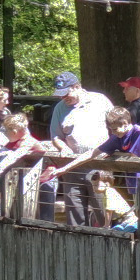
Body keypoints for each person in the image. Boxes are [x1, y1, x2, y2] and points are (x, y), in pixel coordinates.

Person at [50, 72, 113, 226]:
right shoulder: (59, 108)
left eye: (66, 93)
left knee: (103, 210)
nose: (63, 97)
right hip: (72, 166)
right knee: (74, 214)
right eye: (60, 94)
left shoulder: (100, 100)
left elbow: (116, 125)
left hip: (99, 164)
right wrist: (63, 147)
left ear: (77, 87)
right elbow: (55, 136)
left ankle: (107, 236)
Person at [0, 112, 60, 220]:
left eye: (6, 131)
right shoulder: (13, 141)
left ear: (14, 131)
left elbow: (14, 156)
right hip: (29, 181)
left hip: (45, 180)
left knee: (45, 217)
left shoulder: (29, 142)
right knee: (24, 215)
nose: (5, 134)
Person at [92, 106, 140, 193]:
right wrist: (74, 164)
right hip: (132, 178)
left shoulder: (138, 131)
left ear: (125, 124)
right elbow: (97, 152)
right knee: (134, 200)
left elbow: (133, 156)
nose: (113, 132)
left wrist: (115, 155)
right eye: (111, 130)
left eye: (115, 129)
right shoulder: (117, 137)